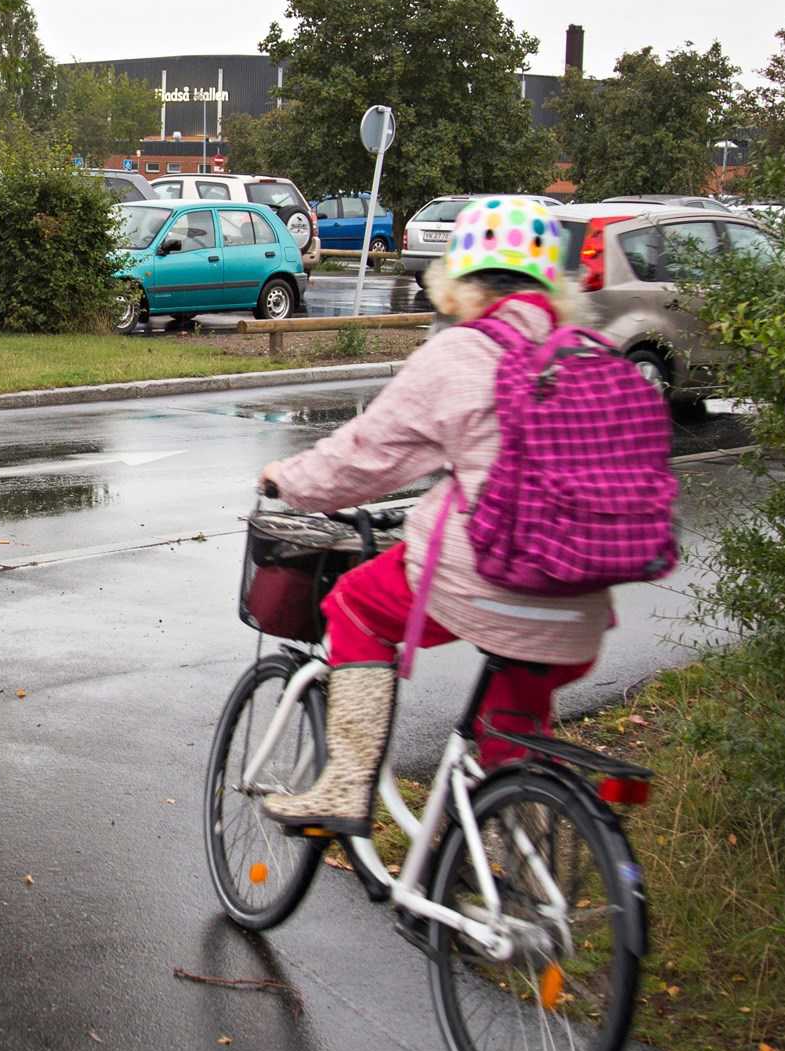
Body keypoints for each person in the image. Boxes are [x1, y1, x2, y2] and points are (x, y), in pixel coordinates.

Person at [255, 195, 611, 835]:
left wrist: (290, 481)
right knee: (512, 725)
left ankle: (343, 785)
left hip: (491, 581)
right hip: (581, 602)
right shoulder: (592, 356)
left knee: (355, 604)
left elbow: (364, 459)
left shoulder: (464, 355)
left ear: (461, 281)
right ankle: (516, 873)